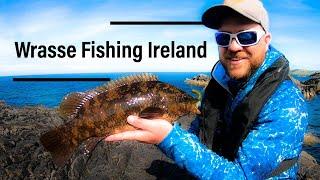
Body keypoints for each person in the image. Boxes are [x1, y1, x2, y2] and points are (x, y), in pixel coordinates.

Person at [105, 0, 308, 179]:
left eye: (246, 37)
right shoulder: (222, 83)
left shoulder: (287, 104)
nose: (234, 46)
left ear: (266, 40)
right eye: (224, 38)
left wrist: (168, 138)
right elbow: (199, 133)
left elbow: (240, 176)